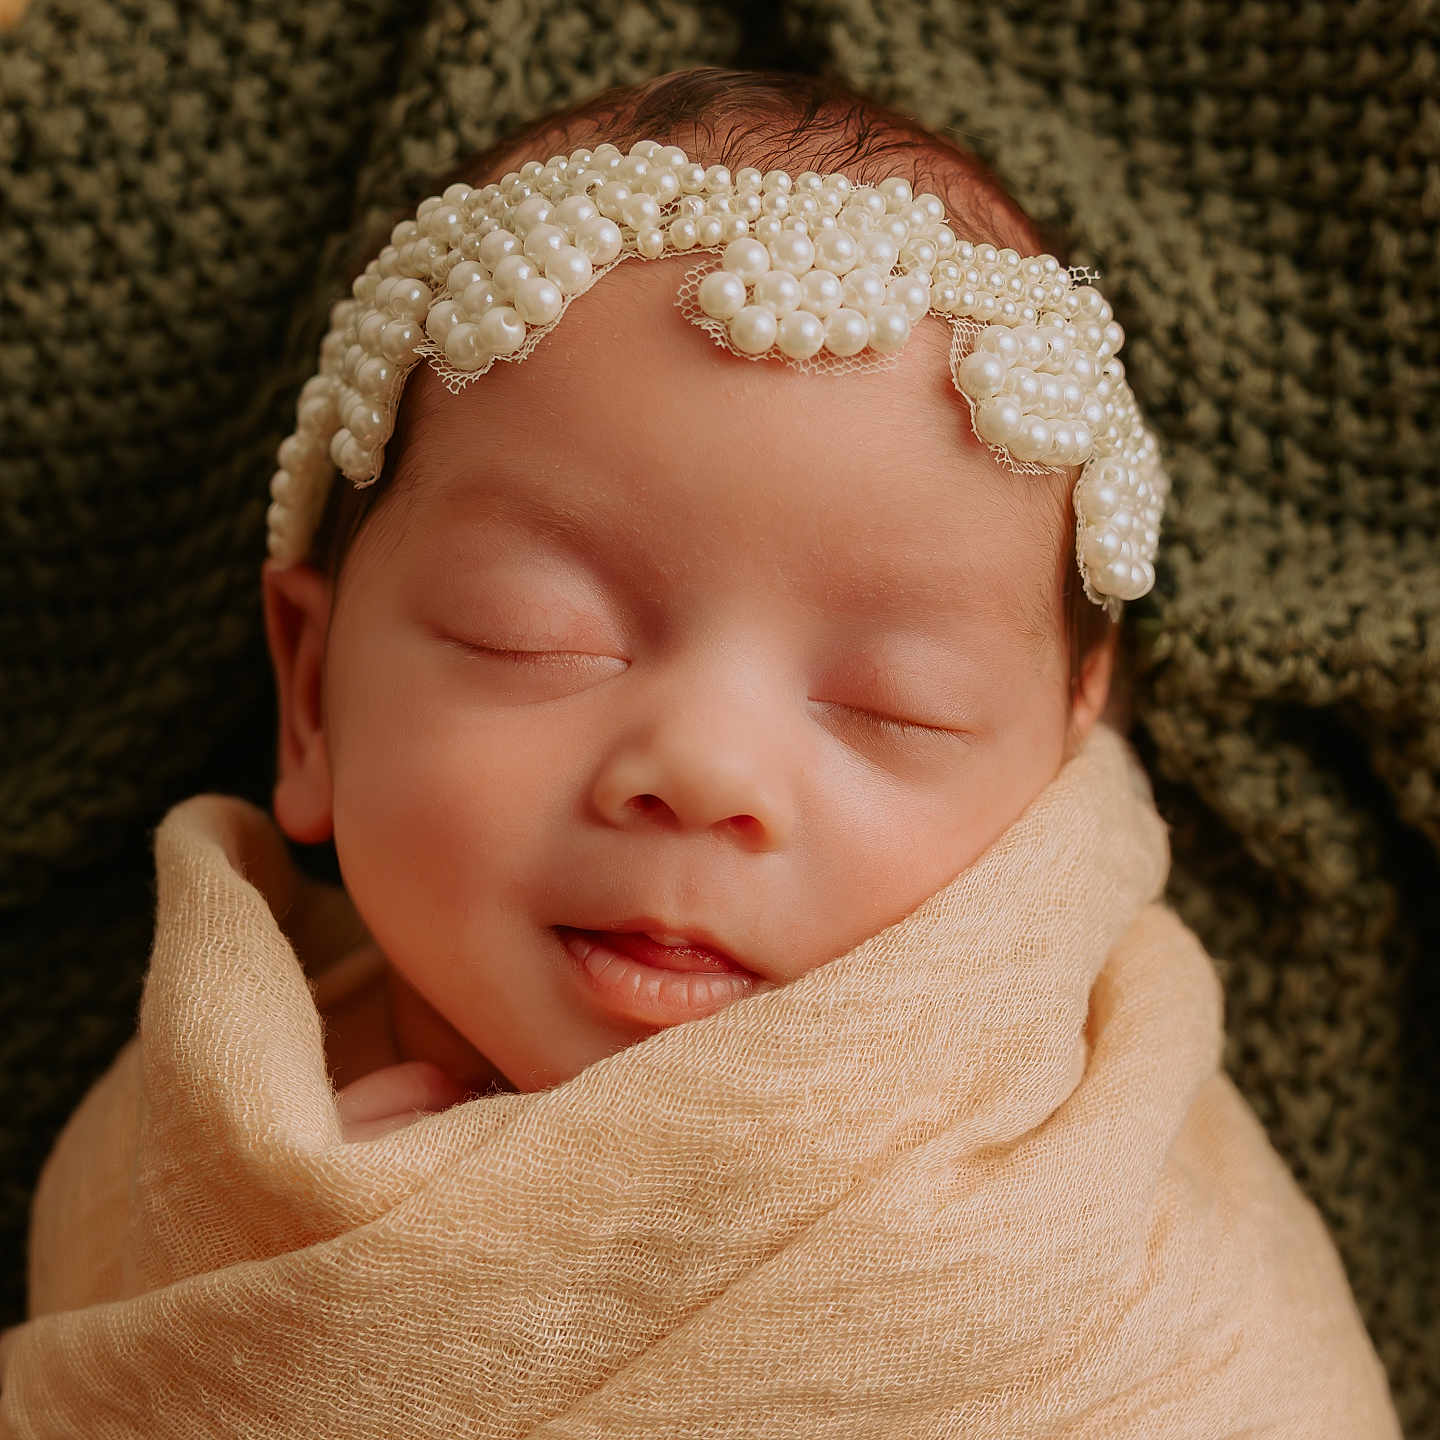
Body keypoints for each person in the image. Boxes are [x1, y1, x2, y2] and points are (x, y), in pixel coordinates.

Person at [259, 67, 1139, 1137]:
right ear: (310, 695)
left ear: (1058, 786)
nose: (705, 771)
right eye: (536, 636)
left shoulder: (1089, 1146)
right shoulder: (220, 1090)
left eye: (897, 705)